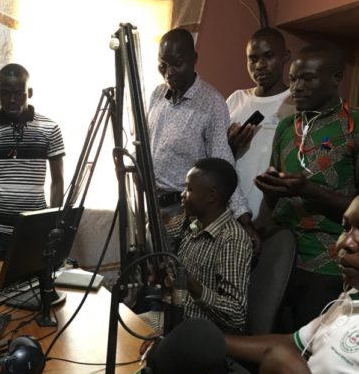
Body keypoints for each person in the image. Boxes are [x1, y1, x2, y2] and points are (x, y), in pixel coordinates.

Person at [225, 194, 359, 374]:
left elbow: (288, 358)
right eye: (346, 227)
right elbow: (292, 343)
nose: (345, 242)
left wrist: (294, 372)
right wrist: (215, 341)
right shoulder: (350, 300)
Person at [255, 42, 359, 330]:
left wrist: (308, 190)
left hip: (327, 263)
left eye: (308, 79)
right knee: (271, 335)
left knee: (310, 344)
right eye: (293, 79)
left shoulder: (354, 126)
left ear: (336, 78)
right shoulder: (287, 127)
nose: (296, 88)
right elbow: (273, 197)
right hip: (280, 256)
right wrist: (259, 225)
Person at [148, 27, 258, 251]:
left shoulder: (212, 103)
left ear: (194, 59)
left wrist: (244, 219)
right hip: (148, 205)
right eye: (162, 64)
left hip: (182, 211)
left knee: (172, 271)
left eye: (177, 63)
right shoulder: (157, 95)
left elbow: (222, 162)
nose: (169, 72)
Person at [140, 158, 252, 333]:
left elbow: (236, 314)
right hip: (175, 317)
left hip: (199, 331)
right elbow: (163, 235)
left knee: (128, 332)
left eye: (189, 189)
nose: (182, 194)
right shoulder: (193, 221)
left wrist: (193, 285)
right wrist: (156, 221)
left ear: (211, 195)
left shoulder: (232, 239)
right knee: (123, 323)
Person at [0, 63, 65, 263]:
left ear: (29, 92)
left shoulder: (50, 129)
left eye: (19, 93)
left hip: (34, 230)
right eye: (6, 93)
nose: (12, 100)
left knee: (33, 281)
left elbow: (57, 181)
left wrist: (51, 225)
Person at [227, 27, 295, 226]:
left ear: (285, 56)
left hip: (273, 218)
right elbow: (216, 158)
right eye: (253, 59)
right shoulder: (236, 99)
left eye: (269, 56)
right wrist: (231, 146)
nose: (260, 65)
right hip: (230, 213)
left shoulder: (296, 102)